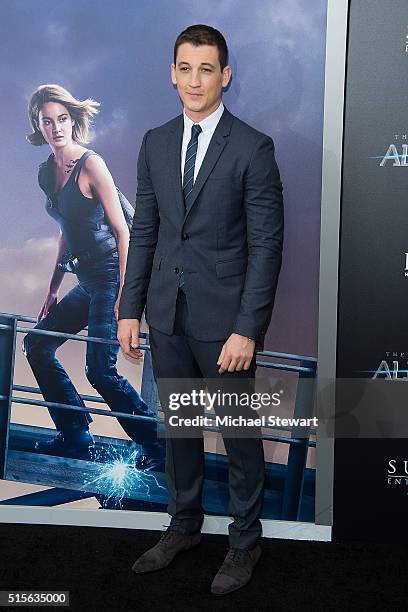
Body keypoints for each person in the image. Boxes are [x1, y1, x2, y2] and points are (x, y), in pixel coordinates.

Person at [118, 25, 283, 595]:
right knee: (180, 429)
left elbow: (266, 246)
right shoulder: (155, 142)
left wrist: (248, 328)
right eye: (185, 68)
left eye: (206, 69)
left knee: (238, 433)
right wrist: (128, 308)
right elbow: (145, 231)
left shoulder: (253, 147)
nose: (194, 80)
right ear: (172, 73)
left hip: (225, 325)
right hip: (166, 314)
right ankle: (184, 525)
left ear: (225, 76)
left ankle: (244, 543)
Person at [23, 84, 164, 469]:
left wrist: (125, 294)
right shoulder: (45, 173)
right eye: (47, 121)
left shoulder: (91, 164)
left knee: (100, 369)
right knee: (36, 344)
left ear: (73, 120)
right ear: (38, 126)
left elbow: (123, 232)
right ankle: (75, 433)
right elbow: (66, 230)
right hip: (85, 280)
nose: (56, 128)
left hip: (109, 276)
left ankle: (157, 447)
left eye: (62, 119)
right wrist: (52, 290)